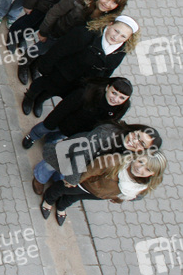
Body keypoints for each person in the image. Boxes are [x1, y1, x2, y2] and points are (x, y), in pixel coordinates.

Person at [22, 15, 139, 117]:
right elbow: (59, 50)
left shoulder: (121, 51)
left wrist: (94, 88)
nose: (116, 37)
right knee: (43, 84)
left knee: (53, 92)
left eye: (123, 36)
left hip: (78, 83)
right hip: (61, 72)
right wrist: (45, 67)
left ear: (128, 38)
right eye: (116, 31)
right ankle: (30, 97)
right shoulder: (86, 34)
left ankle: (40, 100)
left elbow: (109, 70)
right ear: (110, 24)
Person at [18, 0, 128, 82]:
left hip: (70, 43)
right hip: (57, 34)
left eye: (114, 2)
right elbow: (53, 13)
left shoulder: (109, 19)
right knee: (39, 49)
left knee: (50, 54)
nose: (108, 4)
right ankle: (24, 62)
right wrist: (44, 32)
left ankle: (35, 65)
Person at [40, 150, 166, 227]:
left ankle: (61, 206)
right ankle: (48, 200)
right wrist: (76, 180)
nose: (140, 168)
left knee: (75, 198)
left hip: (99, 195)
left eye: (147, 169)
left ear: (153, 174)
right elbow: (91, 169)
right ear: (137, 157)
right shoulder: (115, 162)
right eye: (141, 162)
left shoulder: (143, 186)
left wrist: (117, 200)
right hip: (85, 184)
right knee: (61, 189)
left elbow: (130, 196)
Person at [33, 122, 161, 195]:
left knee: (62, 174)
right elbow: (82, 154)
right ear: (134, 130)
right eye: (137, 135)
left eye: (141, 143)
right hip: (70, 153)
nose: (134, 141)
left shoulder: (132, 157)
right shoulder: (107, 133)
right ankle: (40, 178)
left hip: (79, 169)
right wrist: (72, 179)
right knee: (49, 166)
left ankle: (60, 178)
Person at [22, 77, 132, 149]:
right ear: (107, 87)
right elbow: (62, 109)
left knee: (58, 136)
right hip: (62, 121)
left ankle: (49, 140)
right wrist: (50, 123)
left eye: (122, 98)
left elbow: (110, 123)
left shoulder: (122, 107)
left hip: (77, 130)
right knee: (43, 128)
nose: (115, 99)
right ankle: (32, 136)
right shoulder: (85, 93)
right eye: (114, 93)